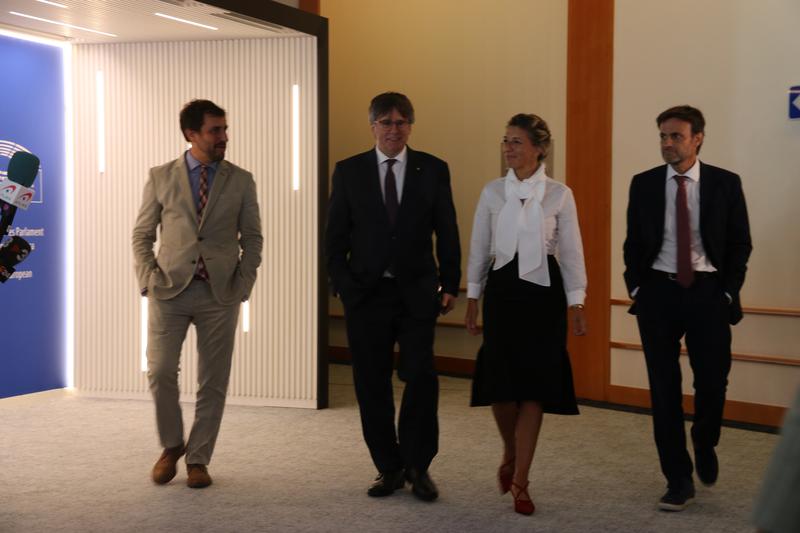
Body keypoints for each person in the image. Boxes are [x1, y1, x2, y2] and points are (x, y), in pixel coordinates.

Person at [325, 92, 461, 501]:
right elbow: (334, 238)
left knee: (421, 377)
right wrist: (345, 287)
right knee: (371, 382)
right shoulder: (349, 171)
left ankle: (419, 467)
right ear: (372, 126)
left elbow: (447, 230)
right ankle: (389, 466)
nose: (393, 129)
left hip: (417, 292)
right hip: (366, 295)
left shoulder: (432, 169)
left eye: (401, 122)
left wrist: (450, 284)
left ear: (410, 127)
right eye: (385, 122)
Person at [623, 105, 752, 511]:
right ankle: (677, 479)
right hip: (658, 295)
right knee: (663, 392)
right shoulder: (643, 184)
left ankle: (704, 437)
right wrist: (637, 288)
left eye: (675, 136)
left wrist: (728, 292)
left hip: (707, 294)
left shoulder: (725, 184)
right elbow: (632, 243)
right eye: (662, 135)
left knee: (712, 384)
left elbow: (739, 243)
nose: (667, 143)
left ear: (697, 138)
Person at [132, 99, 263, 488]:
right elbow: (142, 234)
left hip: (219, 293)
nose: (224, 137)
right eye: (215, 130)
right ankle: (172, 445)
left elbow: (253, 238)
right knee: (159, 371)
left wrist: (243, 284)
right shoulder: (160, 177)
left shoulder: (241, 179)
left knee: (213, 379)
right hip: (169, 291)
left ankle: (198, 459)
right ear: (191, 134)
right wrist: (147, 278)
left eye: (224, 129)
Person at [465, 113, 587, 515]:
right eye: (505, 141)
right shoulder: (492, 192)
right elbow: (480, 247)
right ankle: (510, 449)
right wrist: (473, 297)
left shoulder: (559, 194)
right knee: (501, 389)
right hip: (503, 293)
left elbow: (570, 253)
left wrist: (577, 302)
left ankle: (521, 480)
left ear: (538, 148)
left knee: (534, 389)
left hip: (544, 296)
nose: (508, 148)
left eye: (516, 141)